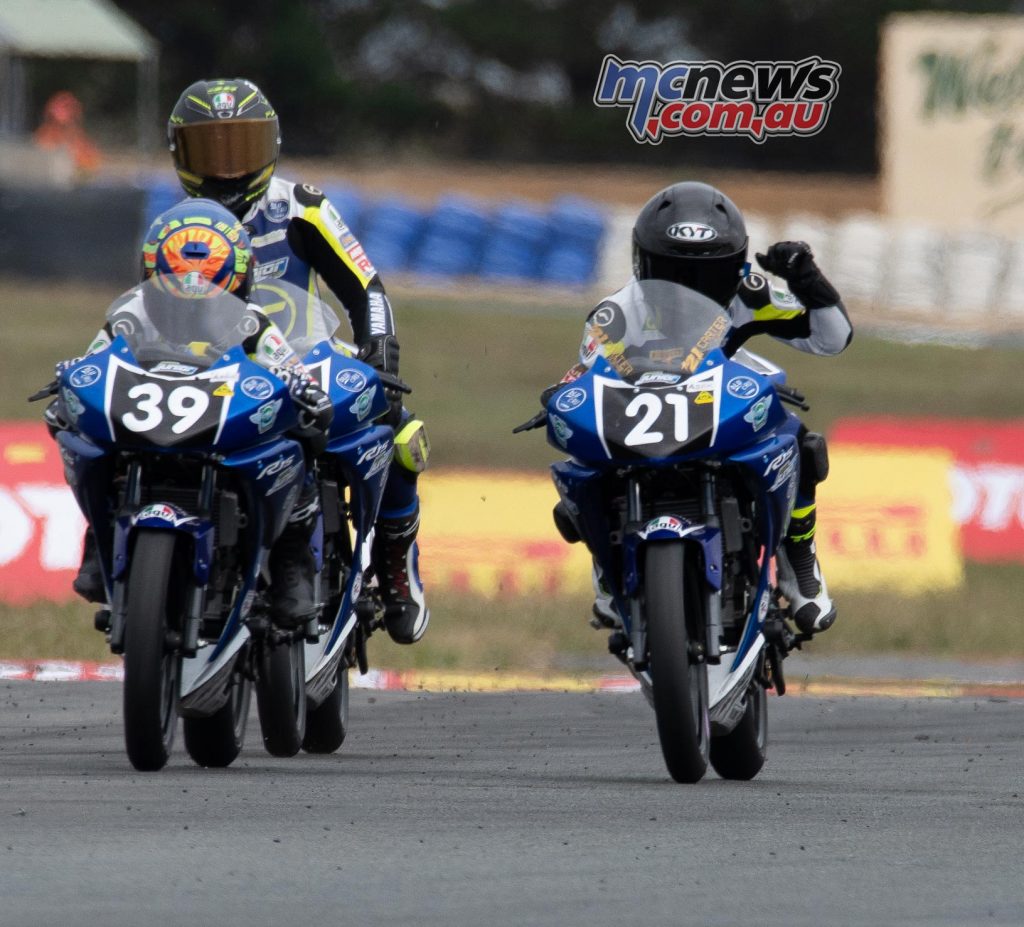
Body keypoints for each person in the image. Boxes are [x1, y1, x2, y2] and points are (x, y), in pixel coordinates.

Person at [163, 77, 429, 645]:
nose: (229, 169)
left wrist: (381, 350)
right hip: (211, 373)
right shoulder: (176, 226)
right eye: (212, 150)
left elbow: (367, 288)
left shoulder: (301, 205)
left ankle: (392, 561)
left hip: (304, 360)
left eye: (243, 149)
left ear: (272, 146)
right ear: (181, 156)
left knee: (400, 430)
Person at [557, 181, 852, 635]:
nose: (688, 288)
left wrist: (808, 281)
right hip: (642, 414)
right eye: (671, 273)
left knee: (800, 442)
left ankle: (799, 560)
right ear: (643, 264)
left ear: (734, 268)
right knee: (583, 463)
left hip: (720, 404)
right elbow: (590, 375)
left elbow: (832, 339)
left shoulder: (750, 295)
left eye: (707, 274)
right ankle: (606, 569)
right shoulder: (613, 313)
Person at [57, 198, 333, 626]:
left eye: (208, 298)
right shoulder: (129, 314)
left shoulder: (252, 322)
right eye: (173, 295)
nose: (190, 306)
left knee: (303, 440)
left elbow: (288, 367)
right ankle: (99, 534)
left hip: (221, 425)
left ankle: (290, 562)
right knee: (74, 429)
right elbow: (95, 359)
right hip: (144, 421)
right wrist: (71, 375)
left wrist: (303, 389)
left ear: (237, 284)